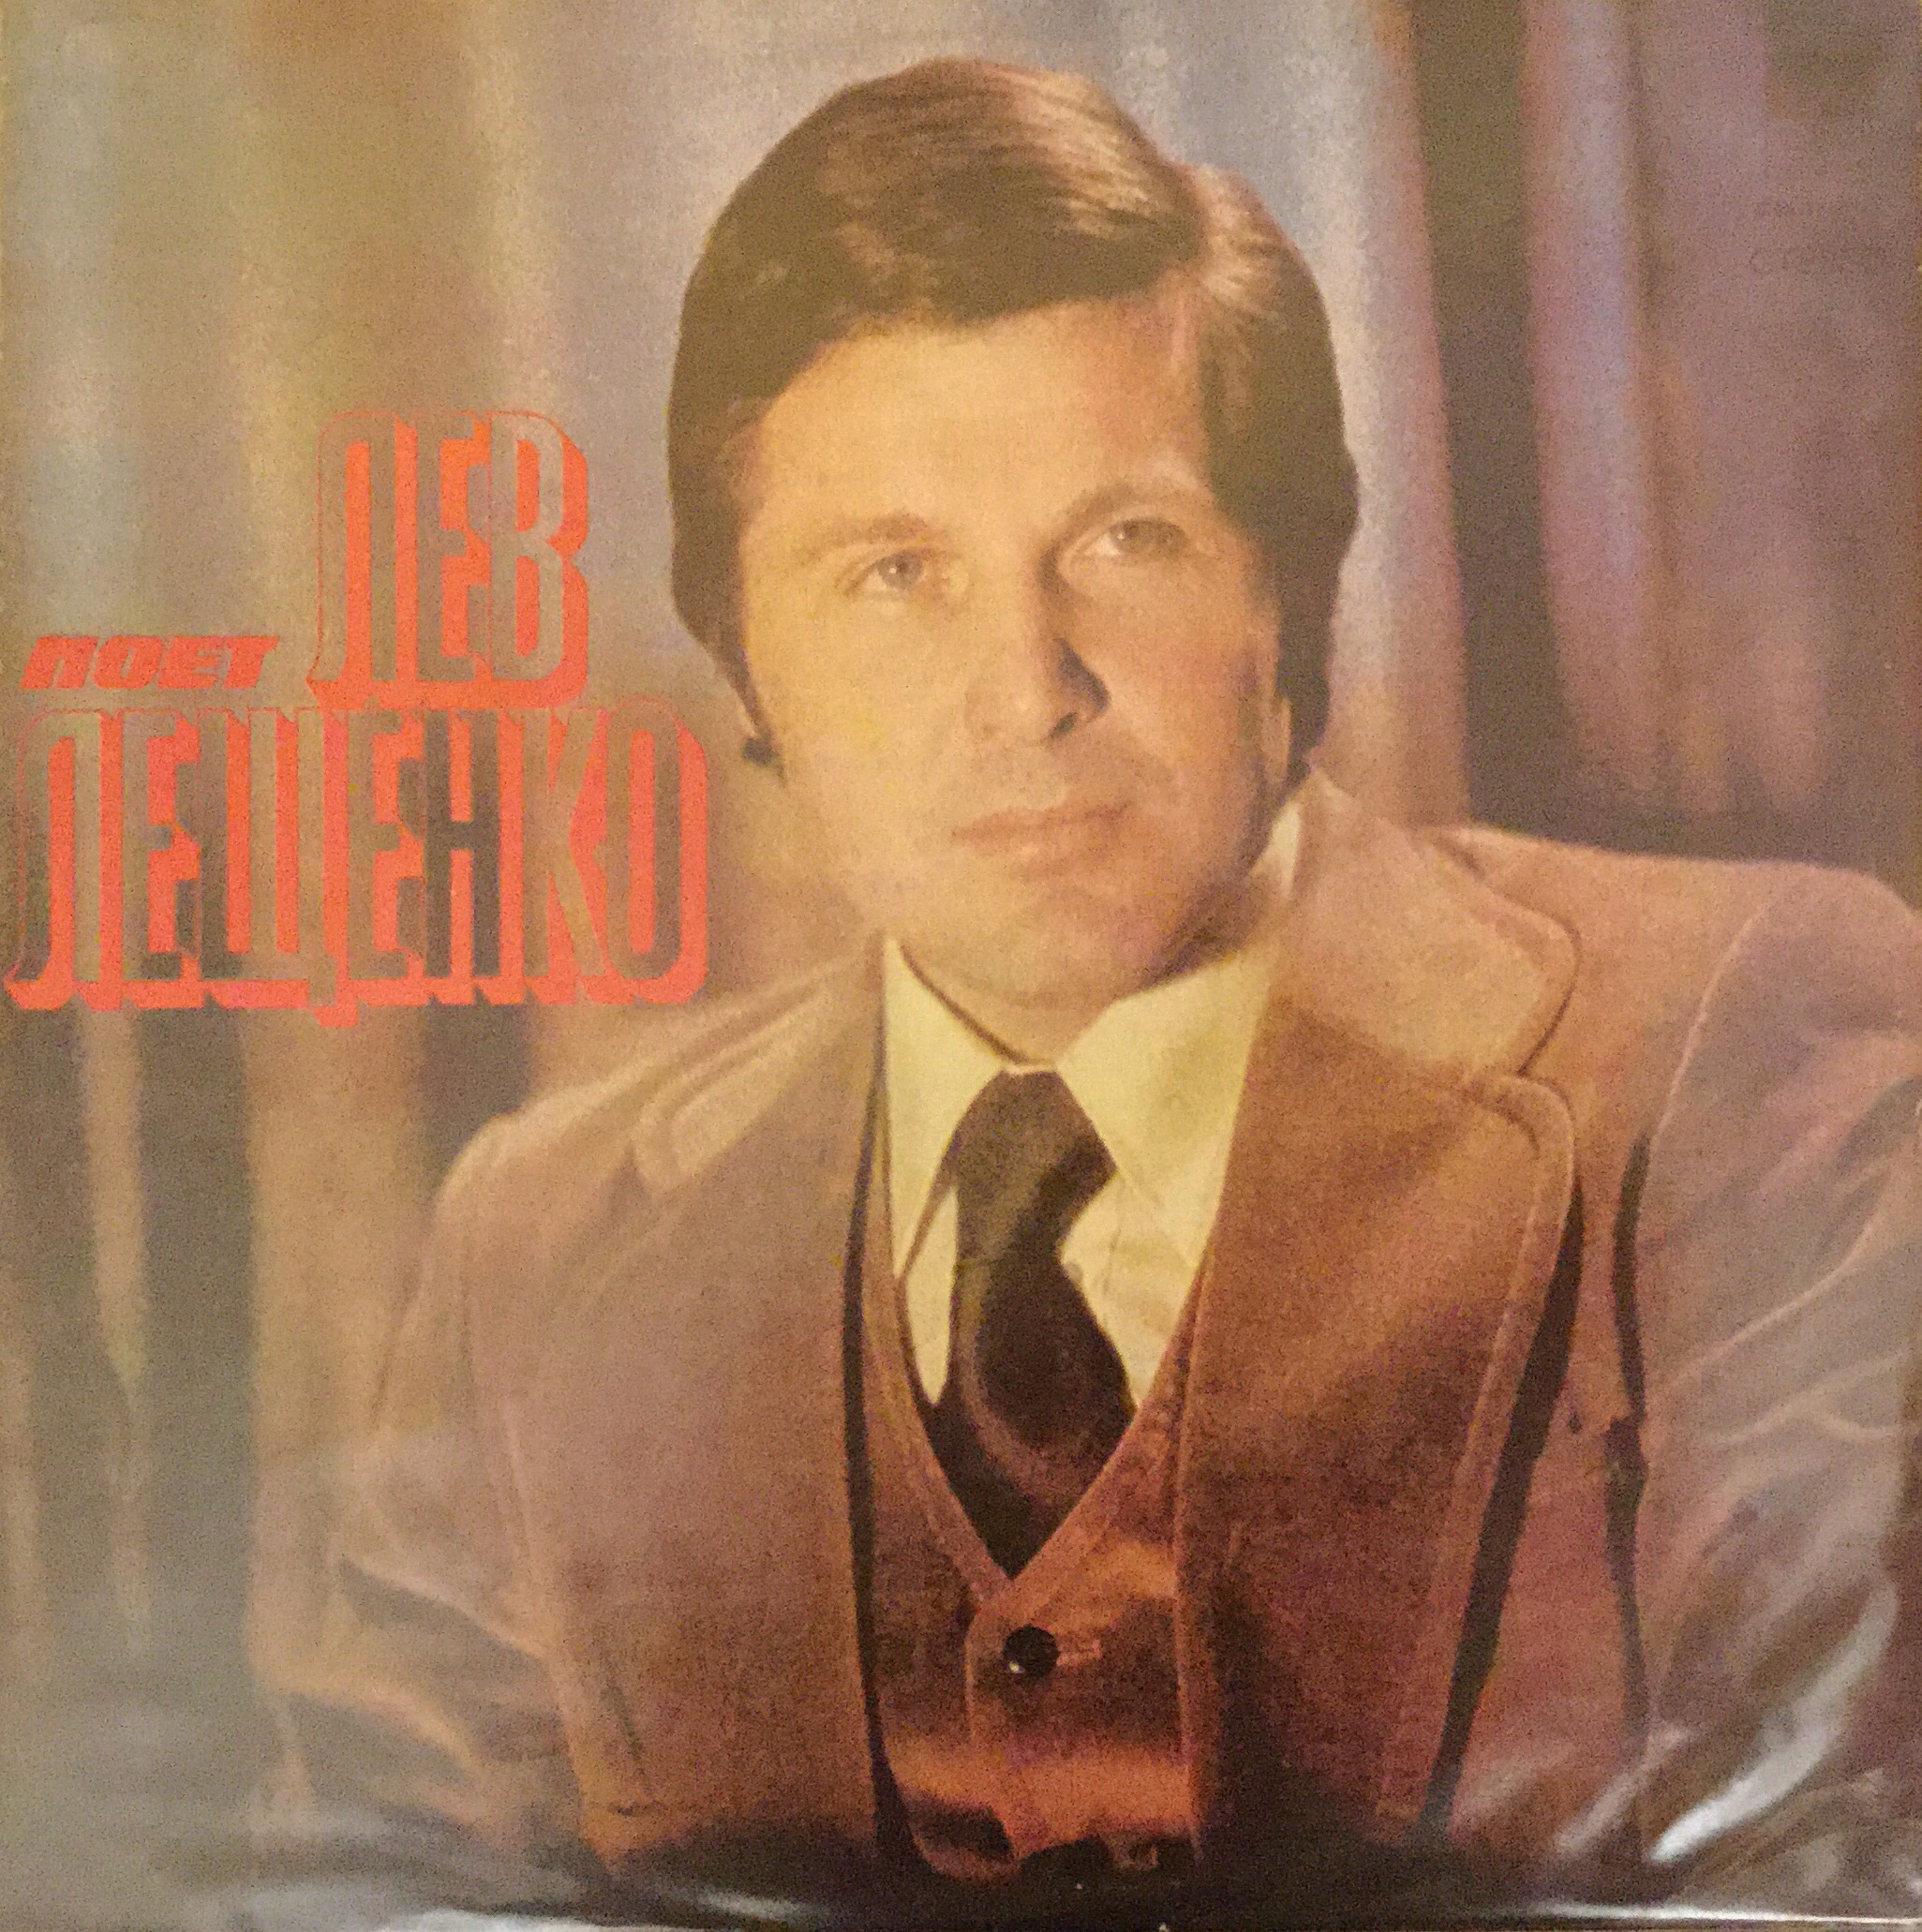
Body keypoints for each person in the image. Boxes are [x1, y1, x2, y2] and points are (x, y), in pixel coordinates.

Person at [266, 56, 1922, 1922]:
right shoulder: (543, 1235)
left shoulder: (1737, 1042)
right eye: (893, 573)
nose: (1026, 688)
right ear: (744, 666)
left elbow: (1853, 1869)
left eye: (1129, 541)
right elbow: (377, 1892)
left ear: (1289, 594)